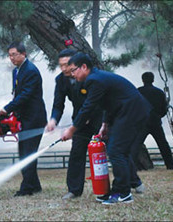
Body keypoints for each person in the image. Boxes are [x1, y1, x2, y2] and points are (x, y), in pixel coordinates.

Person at [61, 53, 149, 205]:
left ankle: (123, 193)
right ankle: (119, 190)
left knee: (116, 151)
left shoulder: (94, 80)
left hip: (131, 112)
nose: (72, 74)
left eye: (74, 70)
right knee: (119, 151)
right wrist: (105, 124)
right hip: (124, 112)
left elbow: (88, 107)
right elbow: (107, 103)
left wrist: (72, 129)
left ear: (84, 67)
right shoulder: (96, 78)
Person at [45, 49, 103, 200]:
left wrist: (89, 116)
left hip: (98, 116)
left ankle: (132, 182)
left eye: (67, 65)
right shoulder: (60, 80)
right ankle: (74, 190)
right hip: (79, 120)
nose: (64, 69)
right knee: (77, 152)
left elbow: (94, 100)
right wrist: (53, 120)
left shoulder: (88, 76)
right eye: (61, 65)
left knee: (114, 148)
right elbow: (58, 104)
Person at [0, 41, 47, 196]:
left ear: (24, 54)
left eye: (14, 54)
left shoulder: (31, 71)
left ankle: (26, 189)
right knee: (24, 153)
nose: (12, 58)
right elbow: (17, 94)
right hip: (24, 118)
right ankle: (35, 185)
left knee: (28, 153)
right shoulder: (16, 71)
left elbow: (25, 95)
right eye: (10, 55)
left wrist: (7, 108)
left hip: (34, 118)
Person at [137, 72, 173, 169]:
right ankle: (170, 165)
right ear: (153, 80)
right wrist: (158, 115)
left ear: (142, 80)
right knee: (163, 144)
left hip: (142, 122)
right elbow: (164, 109)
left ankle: (134, 166)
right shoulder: (159, 92)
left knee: (136, 144)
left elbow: (134, 107)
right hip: (155, 121)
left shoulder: (138, 92)